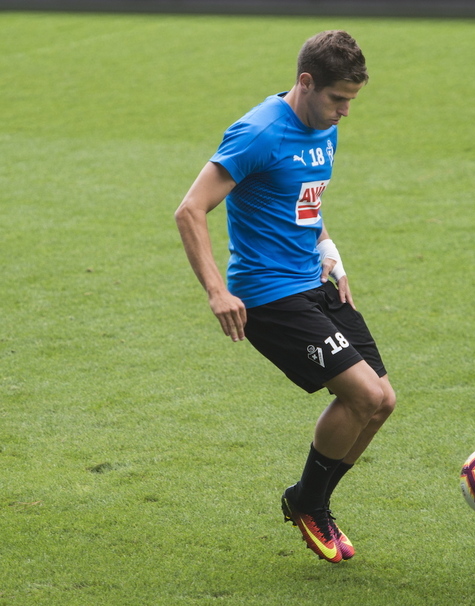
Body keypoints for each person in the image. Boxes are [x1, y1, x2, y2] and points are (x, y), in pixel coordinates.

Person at [174, 30, 395, 563]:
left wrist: (331, 256)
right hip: (269, 295)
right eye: (338, 98)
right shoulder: (258, 133)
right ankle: (310, 506)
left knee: (382, 402)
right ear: (305, 82)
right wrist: (217, 292)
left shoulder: (325, 127)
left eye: (351, 100)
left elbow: (304, 203)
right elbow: (190, 209)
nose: (345, 111)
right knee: (361, 395)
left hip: (312, 281)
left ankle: (307, 501)